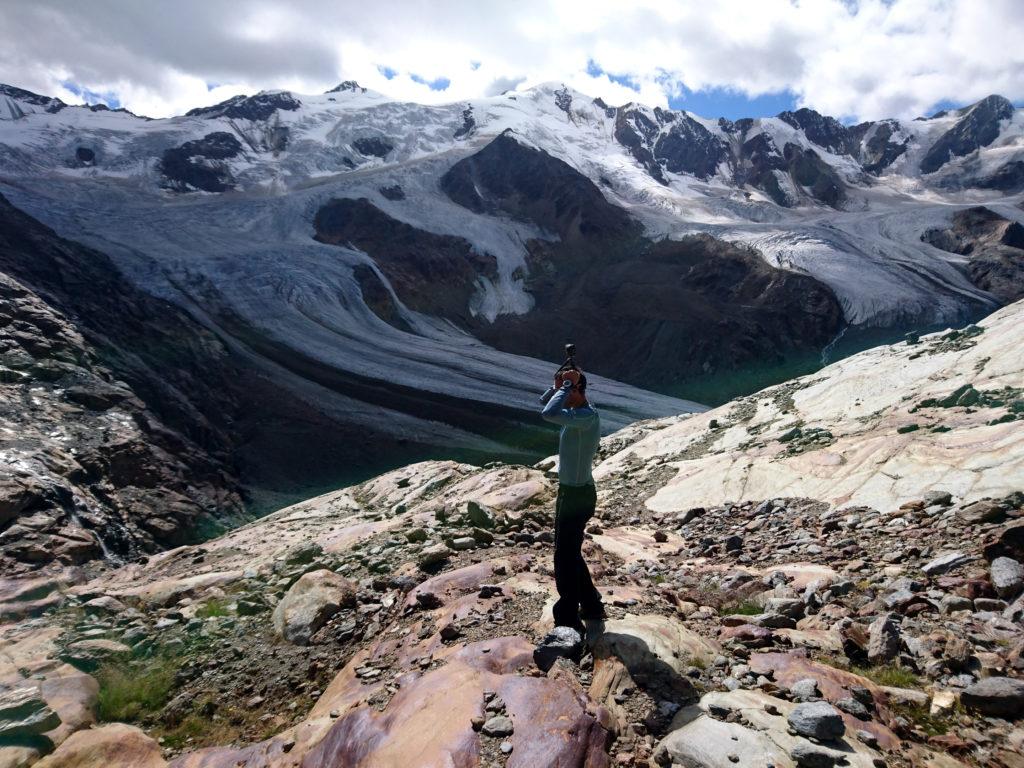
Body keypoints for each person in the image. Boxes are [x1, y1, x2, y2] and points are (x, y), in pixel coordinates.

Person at [540, 367, 604, 633]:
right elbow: (546, 403)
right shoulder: (577, 414)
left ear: (579, 391)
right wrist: (559, 386)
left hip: (577, 495)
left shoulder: (586, 417)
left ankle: (567, 617)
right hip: (572, 492)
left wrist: (565, 386)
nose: (564, 395)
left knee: (564, 557)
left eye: (569, 390)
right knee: (570, 553)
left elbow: (548, 413)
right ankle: (591, 604)